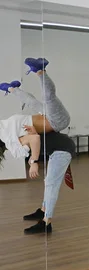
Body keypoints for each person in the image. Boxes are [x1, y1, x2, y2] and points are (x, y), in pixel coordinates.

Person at [0, 57, 74, 235]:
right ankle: (43, 210)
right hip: (59, 142)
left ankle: (46, 222)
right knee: (49, 182)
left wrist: (33, 161)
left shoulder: (10, 136)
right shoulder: (11, 133)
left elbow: (34, 139)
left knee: (50, 184)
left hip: (59, 130)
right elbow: (34, 137)